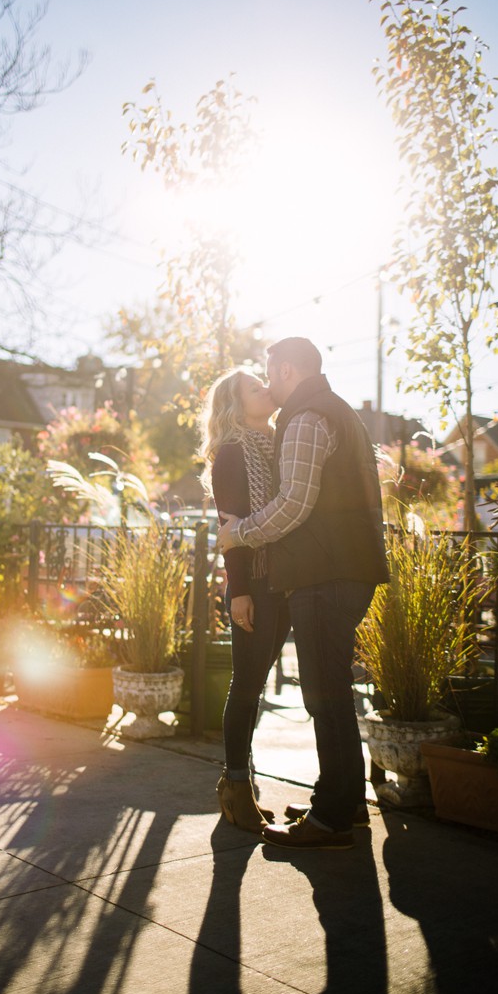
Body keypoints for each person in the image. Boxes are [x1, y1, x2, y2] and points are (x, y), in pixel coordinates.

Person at [217, 337, 389, 850]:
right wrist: (239, 583)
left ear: (287, 370)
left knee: (325, 695)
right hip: (326, 572)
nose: (267, 385)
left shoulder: (306, 419)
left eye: (268, 375)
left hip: (326, 573)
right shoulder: (329, 412)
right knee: (327, 690)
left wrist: (241, 533)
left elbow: (293, 504)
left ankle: (334, 815)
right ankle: (341, 801)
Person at [199, 368, 289, 834]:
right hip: (254, 582)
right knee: (248, 683)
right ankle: (235, 786)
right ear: (236, 405)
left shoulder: (281, 444)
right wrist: (240, 593)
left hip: (287, 581)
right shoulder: (231, 454)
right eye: (256, 387)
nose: (266, 389)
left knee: (254, 680)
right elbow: (231, 528)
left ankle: (243, 784)